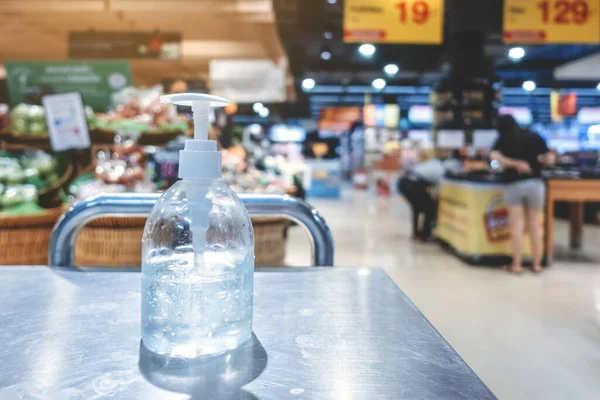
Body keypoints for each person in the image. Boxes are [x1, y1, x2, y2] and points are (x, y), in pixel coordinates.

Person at [490, 115, 555, 274]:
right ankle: (537, 264)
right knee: (535, 225)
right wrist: (539, 160)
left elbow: (494, 158)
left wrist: (515, 164)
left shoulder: (502, 139)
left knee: (516, 226)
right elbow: (549, 158)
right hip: (536, 184)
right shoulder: (535, 136)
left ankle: (517, 265)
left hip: (514, 184)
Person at [399, 148, 462, 240]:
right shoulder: (441, 171)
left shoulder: (434, 163)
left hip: (404, 183)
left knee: (417, 208)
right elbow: (439, 190)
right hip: (412, 185)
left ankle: (417, 233)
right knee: (430, 209)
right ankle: (425, 234)